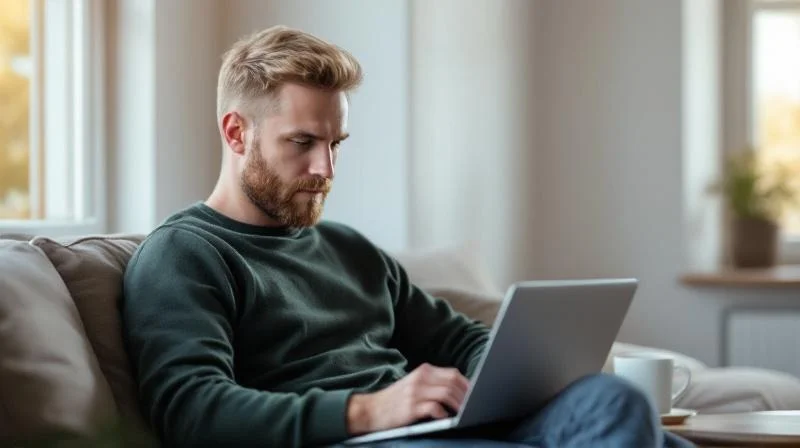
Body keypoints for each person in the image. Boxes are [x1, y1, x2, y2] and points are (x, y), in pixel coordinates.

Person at [121, 25, 694, 448]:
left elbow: (459, 341)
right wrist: (369, 411)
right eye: (302, 142)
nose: (326, 168)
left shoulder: (350, 251)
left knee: (614, 402)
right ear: (236, 131)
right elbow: (191, 410)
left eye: (336, 143)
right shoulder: (186, 255)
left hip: (435, 429)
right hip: (358, 440)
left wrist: (519, 373)